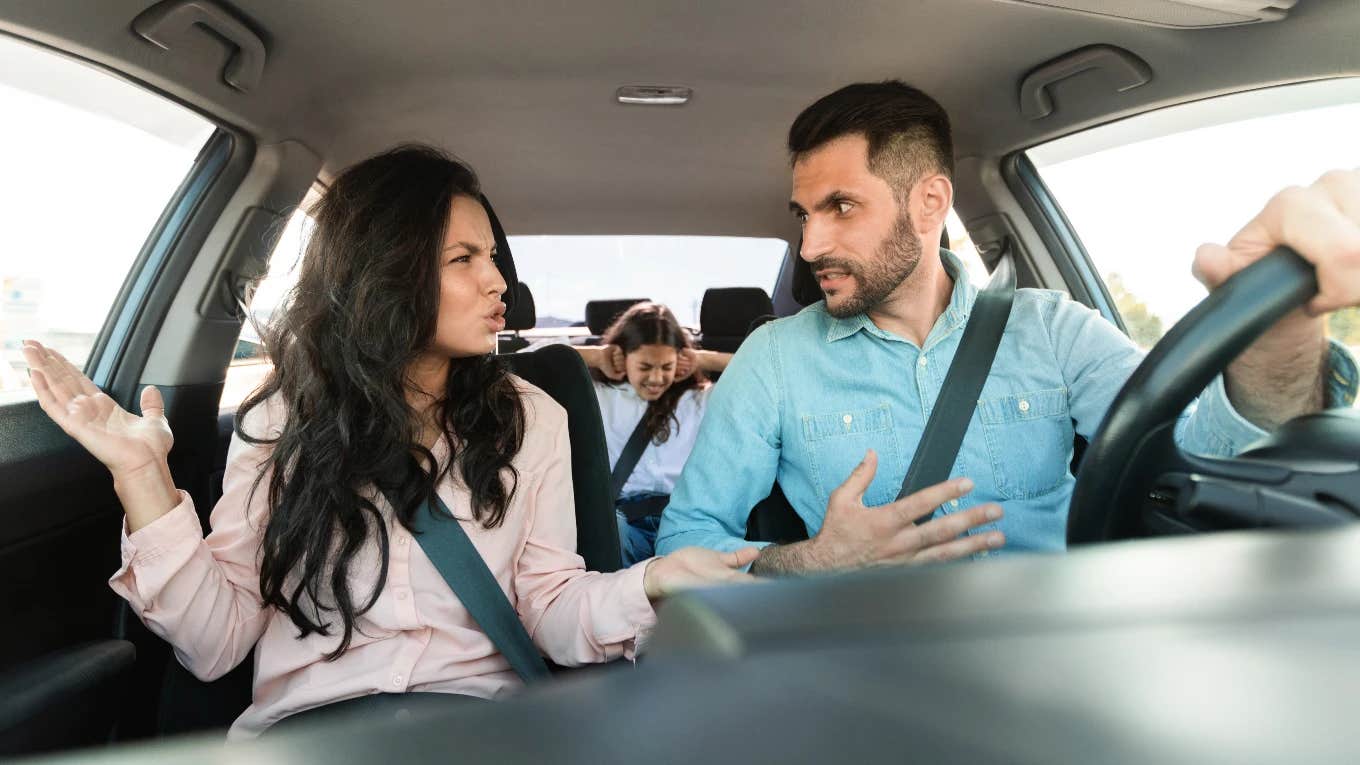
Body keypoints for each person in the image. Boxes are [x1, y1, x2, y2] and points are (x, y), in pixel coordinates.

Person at [22, 145, 757, 739]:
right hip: (309, 737)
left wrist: (654, 580)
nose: (499, 281)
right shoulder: (281, 418)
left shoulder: (533, 415)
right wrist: (142, 475)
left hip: (483, 733)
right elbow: (214, 641)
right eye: (464, 259)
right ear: (385, 274)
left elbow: (553, 611)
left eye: (493, 256)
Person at [656, 81, 1360, 574]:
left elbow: (1202, 462)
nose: (809, 247)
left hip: (1059, 655)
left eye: (840, 206)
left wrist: (1278, 337)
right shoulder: (773, 359)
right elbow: (683, 542)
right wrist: (811, 563)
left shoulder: (1052, 330)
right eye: (803, 214)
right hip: (867, 668)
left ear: (929, 202)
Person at [574, 303, 731, 565]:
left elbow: (763, 372)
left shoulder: (699, 400)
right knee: (610, 533)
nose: (656, 378)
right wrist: (597, 357)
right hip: (623, 518)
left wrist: (703, 359)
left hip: (682, 517)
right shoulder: (600, 396)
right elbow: (525, 360)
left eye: (666, 367)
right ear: (623, 358)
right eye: (645, 367)